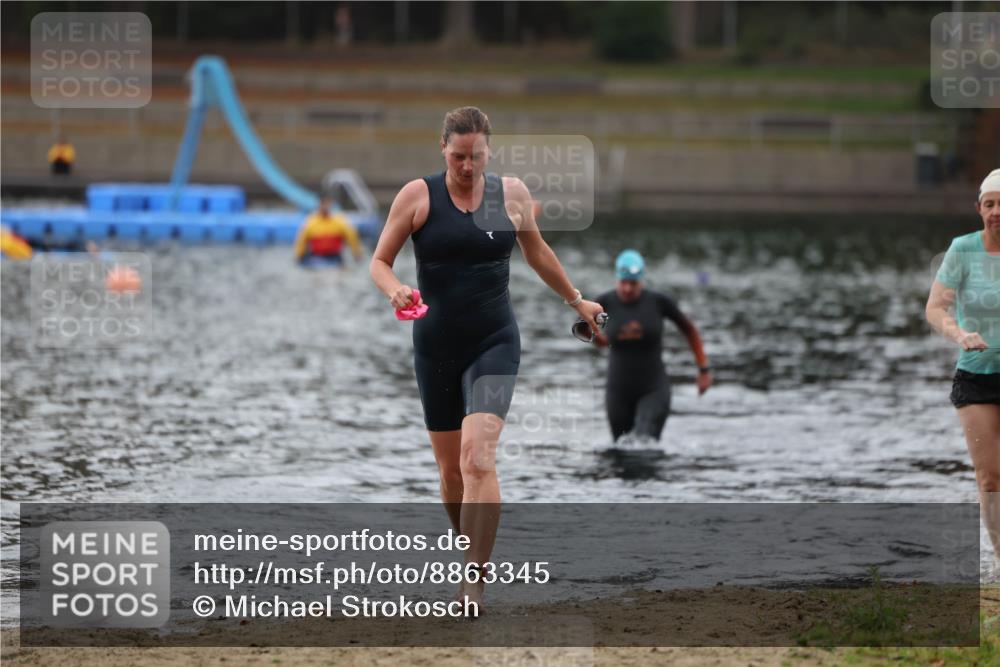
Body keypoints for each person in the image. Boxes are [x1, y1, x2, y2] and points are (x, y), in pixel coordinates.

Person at [369, 106, 604, 612]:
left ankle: (473, 581)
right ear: (443, 149)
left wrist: (576, 300)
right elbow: (379, 261)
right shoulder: (418, 196)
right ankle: (469, 550)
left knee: (479, 457)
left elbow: (537, 252)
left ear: (489, 151)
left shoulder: (510, 195)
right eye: (458, 156)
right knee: (452, 472)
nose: (468, 166)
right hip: (434, 347)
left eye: (476, 156)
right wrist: (394, 291)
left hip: (494, 341)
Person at [925, 167, 1000, 563]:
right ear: (979, 208)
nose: (997, 211)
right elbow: (936, 308)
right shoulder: (963, 250)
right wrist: (959, 334)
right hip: (976, 376)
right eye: (990, 204)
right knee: (990, 477)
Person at [592, 250, 712, 443]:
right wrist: (597, 337)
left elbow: (690, 330)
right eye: (623, 282)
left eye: (633, 283)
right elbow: (592, 335)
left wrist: (703, 369)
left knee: (644, 443)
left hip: (653, 388)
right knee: (621, 448)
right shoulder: (603, 303)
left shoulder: (658, 302)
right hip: (618, 390)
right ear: (616, 279)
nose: (628, 289)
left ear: (642, 280)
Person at [293, 195, 363, 267]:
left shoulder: (339, 221)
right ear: (320, 205)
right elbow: (301, 240)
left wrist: (357, 254)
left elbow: (352, 237)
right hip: (316, 257)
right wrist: (298, 255)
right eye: (324, 204)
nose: (325, 207)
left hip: (334, 257)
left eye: (328, 204)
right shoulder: (311, 222)